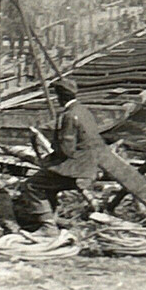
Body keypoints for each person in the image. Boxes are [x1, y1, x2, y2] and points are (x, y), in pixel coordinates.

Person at [21, 78, 101, 237]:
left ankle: (48, 227)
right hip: (89, 166)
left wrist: (47, 152)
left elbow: (66, 150)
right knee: (48, 184)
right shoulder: (84, 111)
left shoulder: (69, 116)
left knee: (32, 185)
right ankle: (52, 218)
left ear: (60, 97)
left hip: (75, 170)